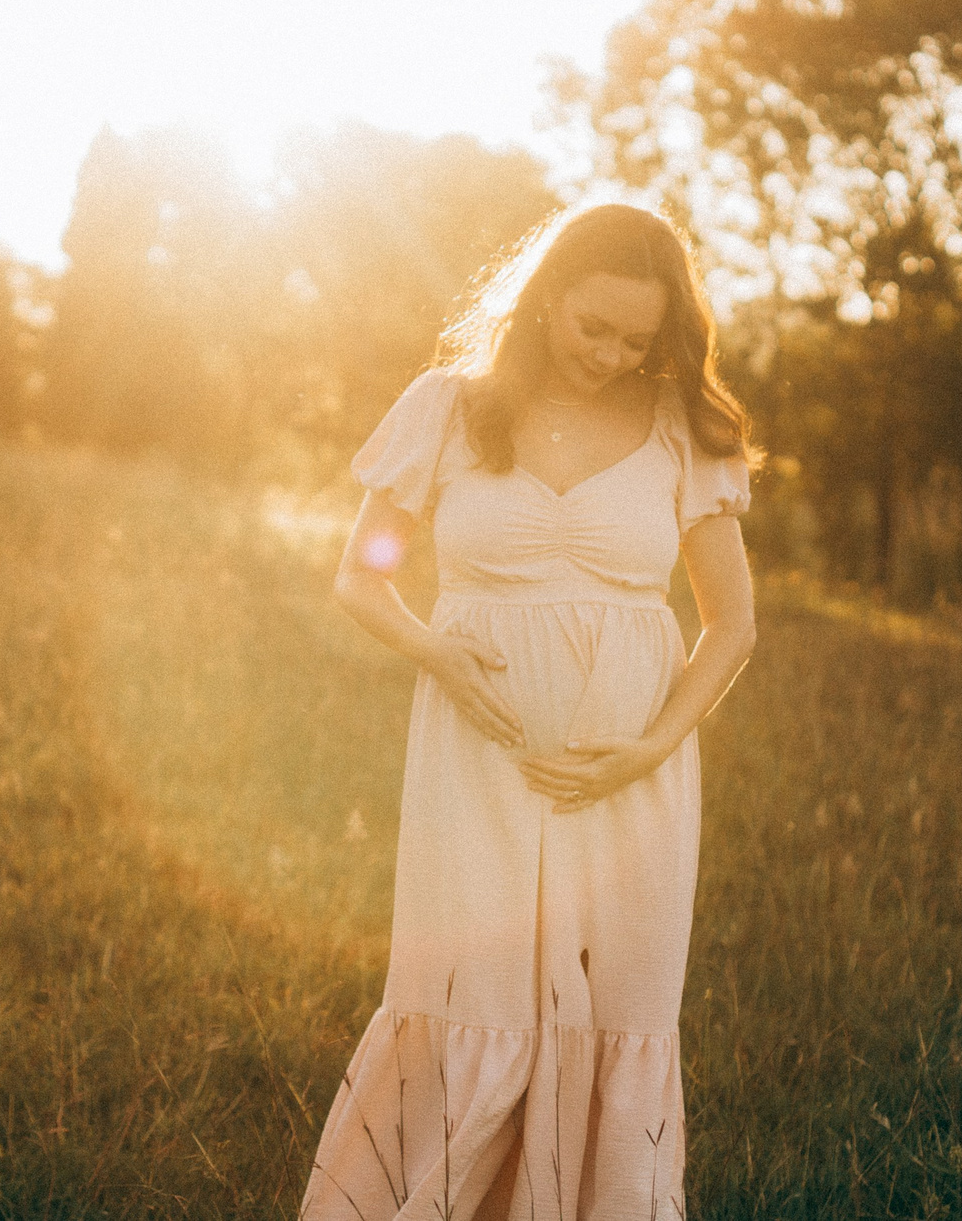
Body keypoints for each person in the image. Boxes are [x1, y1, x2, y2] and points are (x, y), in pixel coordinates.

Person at [303, 202, 758, 1220]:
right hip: (475, 754)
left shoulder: (684, 428)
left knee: (615, 1004)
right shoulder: (448, 409)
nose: (612, 354)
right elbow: (362, 578)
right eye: (593, 326)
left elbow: (731, 626)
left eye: (638, 339)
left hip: (628, 778)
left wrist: (646, 752)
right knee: (475, 991)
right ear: (545, 297)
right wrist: (438, 654)